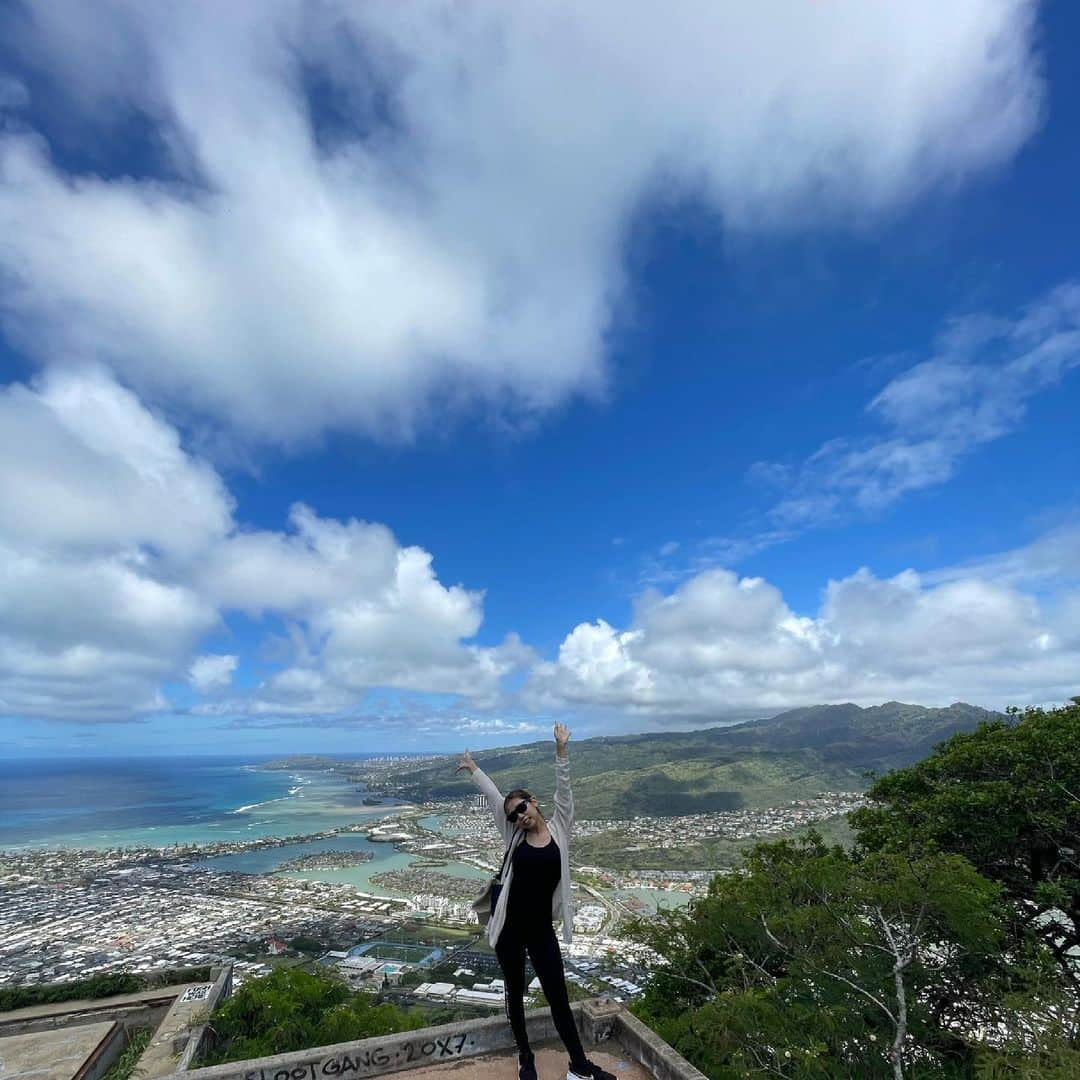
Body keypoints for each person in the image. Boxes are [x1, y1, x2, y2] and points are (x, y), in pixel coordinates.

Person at [458, 723, 615, 1080]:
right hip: (510, 928)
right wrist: (474, 769)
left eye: (523, 807)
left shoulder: (560, 827)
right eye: (514, 813)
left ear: (535, 802)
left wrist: (561, 750)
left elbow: (565, 791)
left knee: (557, 996)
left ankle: (579, 1065)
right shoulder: (513, 834)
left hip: (541, 928)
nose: (519, 815)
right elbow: (496, 798)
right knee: (514, 994)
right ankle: (524, 1056)